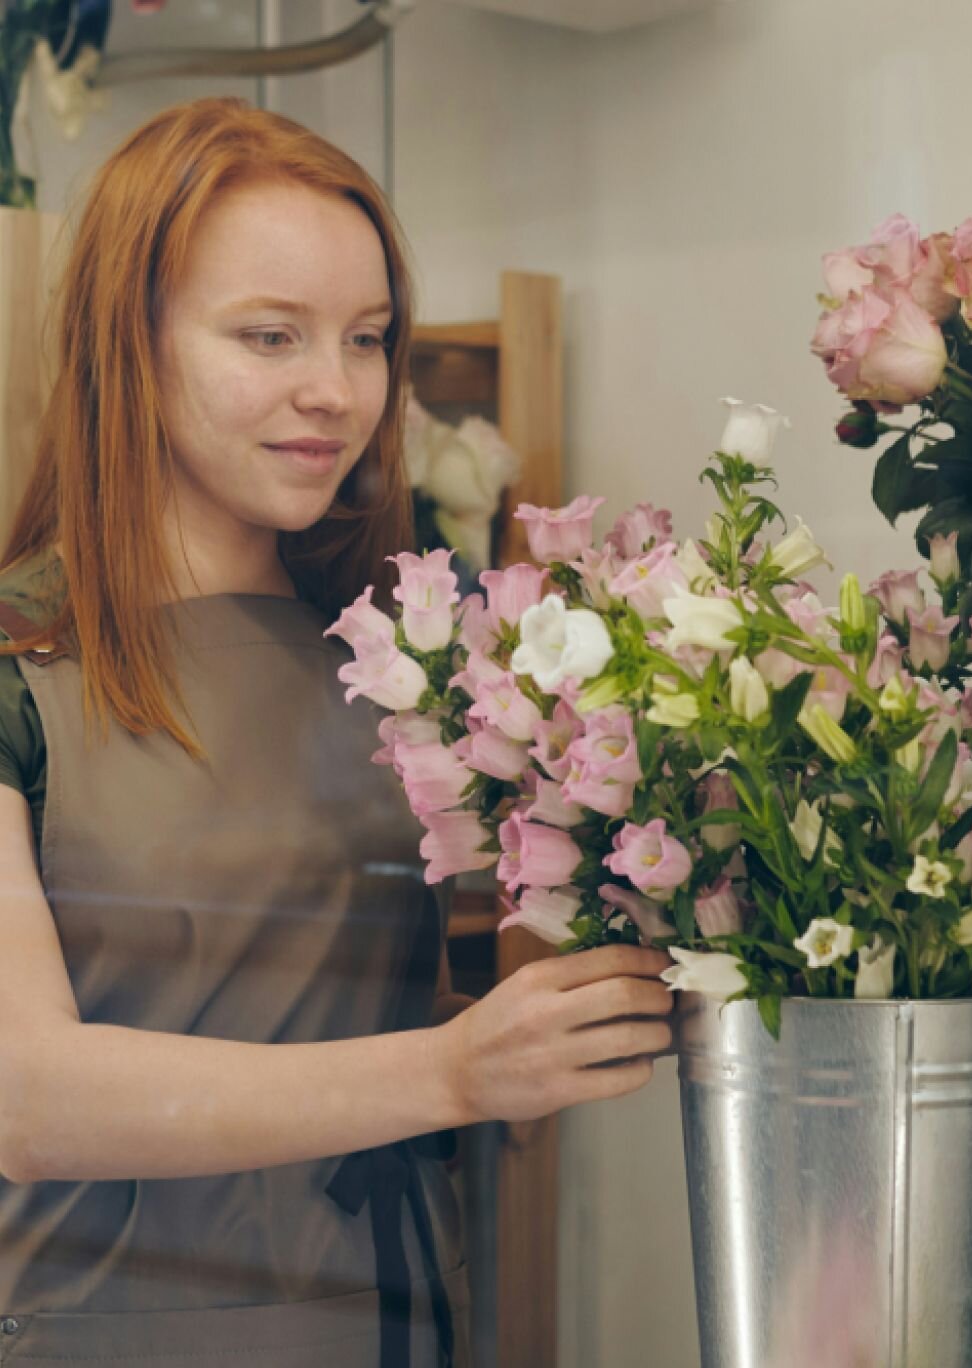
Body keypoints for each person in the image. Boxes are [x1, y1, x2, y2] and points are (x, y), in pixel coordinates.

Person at [0, 97, 675, 1368]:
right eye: (269, 335)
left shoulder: (396, 658)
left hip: (399, 1322)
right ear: (125, 345)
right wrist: (460, 1072)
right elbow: (25, 1099)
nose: (335, 391)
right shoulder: (19, 671)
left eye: (367, 339)